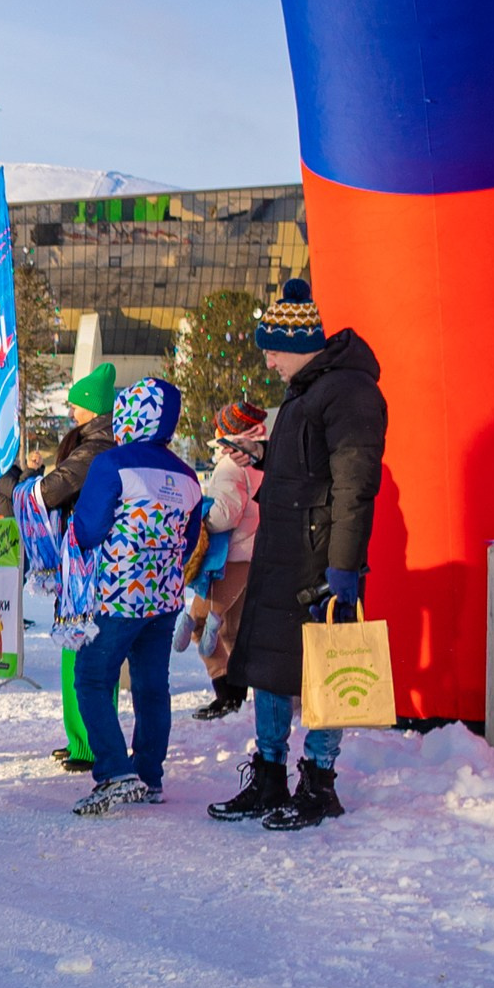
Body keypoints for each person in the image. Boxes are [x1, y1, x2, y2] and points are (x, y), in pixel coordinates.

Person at [209, 277, 386, 834]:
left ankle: (319, 781)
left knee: (328, 672)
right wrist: (264, 452)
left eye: (272, 348)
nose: (267, 360)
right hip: (282, 555)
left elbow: (354, 486)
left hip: (319, 562)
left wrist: (344, 566)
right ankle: (268, 775)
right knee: (268, 667)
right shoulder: (307, 391)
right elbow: (306, 465)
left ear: (298, 344)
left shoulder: (351, 393)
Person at [65, 377, 205, 812]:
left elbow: (87, 530)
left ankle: (114, 771)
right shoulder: (187, 475)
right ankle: (149, 774)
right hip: (163, 599)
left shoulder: (113, 464)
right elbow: (192, 537)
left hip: (117, 596)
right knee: (150, 688)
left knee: (91, 678)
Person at [37, 365, 117, 770]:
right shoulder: (98, 442)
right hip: (90, 560)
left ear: (91, 406)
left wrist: (24, 489)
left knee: (82, 649)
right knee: (82, 648)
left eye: (76, 401)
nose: (70, 407)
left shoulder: (93, 450)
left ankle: (87, 744)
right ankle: (81, 738)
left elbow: (52, 491)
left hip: (88, 562)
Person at [189, 397, 269, 716]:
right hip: (255, 554)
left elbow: (225, 515)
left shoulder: (230, 463)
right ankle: (237, 697)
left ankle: (226, 695)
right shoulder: (262, 458)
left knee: (199, 623)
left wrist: (199, 522)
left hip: (229, 558)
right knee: (232, 630)